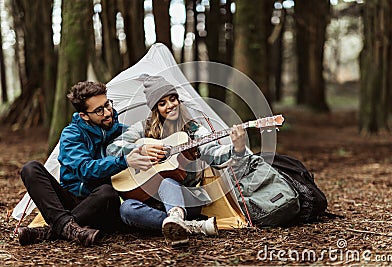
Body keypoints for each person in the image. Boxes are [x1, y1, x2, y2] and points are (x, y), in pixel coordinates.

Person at [107, 75, 251, 245]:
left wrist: (237, 148)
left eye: (173, 99)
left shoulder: (193, 130)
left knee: (167, 181)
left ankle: (177, 218)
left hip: (187, 200)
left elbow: (213, 153)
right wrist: (139, 149)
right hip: (152, 202)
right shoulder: (143, 128)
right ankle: (190, 227)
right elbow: (113, 148)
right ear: (155, 108)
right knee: (126, 209)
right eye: (162, 103)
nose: (170, 106)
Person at [17, 81, 154, 247]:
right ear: (84, 115)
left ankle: (52, 231)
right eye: (99, 110)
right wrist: (123, 161)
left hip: (101, 205)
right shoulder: (71, 134)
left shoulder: (121, 132)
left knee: (107, 192)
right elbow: (85, 169)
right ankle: (69, 227)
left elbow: (149, 135)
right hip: (71, 199)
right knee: (30, 168)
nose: (107, 113)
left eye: (107, 105)